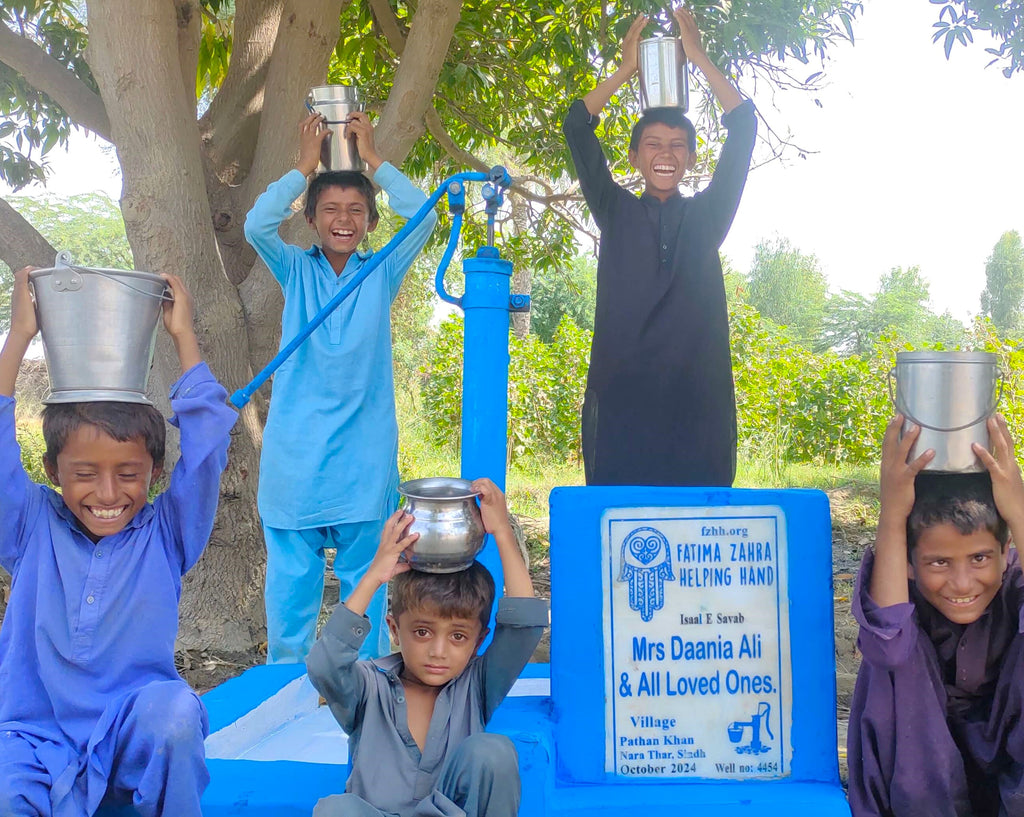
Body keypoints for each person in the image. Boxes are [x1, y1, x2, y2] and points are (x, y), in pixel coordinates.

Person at [0, 267, 237, 816]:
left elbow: (205, 446)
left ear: (155, 472)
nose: (108, 492)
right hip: (34, 740)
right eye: (85, 473)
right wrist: (19, 336)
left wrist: (183, 336)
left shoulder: (169, 532)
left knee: (176, 714)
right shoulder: (28, 523)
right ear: (52, 469)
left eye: (128, 474)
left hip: (134, 730)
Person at [244, 111, 438, 664]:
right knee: (291, 589)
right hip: (295, 456)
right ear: (310, 218)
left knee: (369, 582)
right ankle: (284, 695)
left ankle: (368, 690)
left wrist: (373, 158)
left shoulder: (381, 270)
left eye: (356, 210)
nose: (343, 219)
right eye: (329, 209)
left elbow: (425, 216)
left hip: (362, 455)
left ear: (371, 222)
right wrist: (302, 166)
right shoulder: (294, 268)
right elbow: (255, 225)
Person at [562, 8, 756, 487]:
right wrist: (627, 71)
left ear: (691, 157)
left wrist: (700, 59)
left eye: (676, 146)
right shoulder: (614, 210)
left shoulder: (707, 217)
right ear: (634, 156)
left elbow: (745, 127)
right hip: (622, 409)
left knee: (696, 534)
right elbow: (575, 125)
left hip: (699, 409)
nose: (664, 155)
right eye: (652, 144)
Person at [306, 478, 549, 817]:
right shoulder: (367, 687)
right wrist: (375, 575)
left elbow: (524, 625)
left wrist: (503, 533)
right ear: (393, 629)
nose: (438, 650)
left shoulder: (477, 685)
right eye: (422, 632)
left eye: (458, 637)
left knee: (492, 751)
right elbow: (324, 664)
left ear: (479, 641)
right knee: (336, 810)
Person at [847, 413, 1024, 816]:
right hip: (921, 782)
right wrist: (892, 513)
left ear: (1006, 550)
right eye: (939, 563)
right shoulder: (899, 587)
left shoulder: (1014, 580)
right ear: (909, 561)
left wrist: (1018, 508)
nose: (962, 584)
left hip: (1007, 781)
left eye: (980, 558)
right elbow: (888, 649)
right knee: (893, 659)